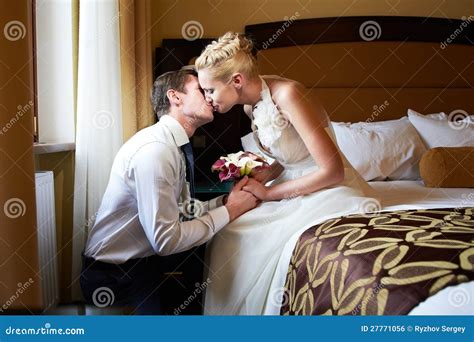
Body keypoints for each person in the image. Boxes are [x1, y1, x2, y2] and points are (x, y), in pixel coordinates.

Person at [195, 32, 381, 314]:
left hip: (327, 187)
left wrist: (269, 192)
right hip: (293, 180)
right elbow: (290, 154)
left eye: (210, 90)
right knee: (230, 230)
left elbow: (333, 171)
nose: (207, 99)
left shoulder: (288, 95)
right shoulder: (250, 106)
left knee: (251, 234)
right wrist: (267, 172)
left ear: (236, 81)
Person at [80, 68, 259, 315]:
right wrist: (230, 211)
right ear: (175, 97)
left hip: (143, 267)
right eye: (201, 89)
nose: (210, 97)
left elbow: (182, 212)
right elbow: (166, 240)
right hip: (114, 277)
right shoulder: (156, 151)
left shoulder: (173, 146)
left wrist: (225, 201)